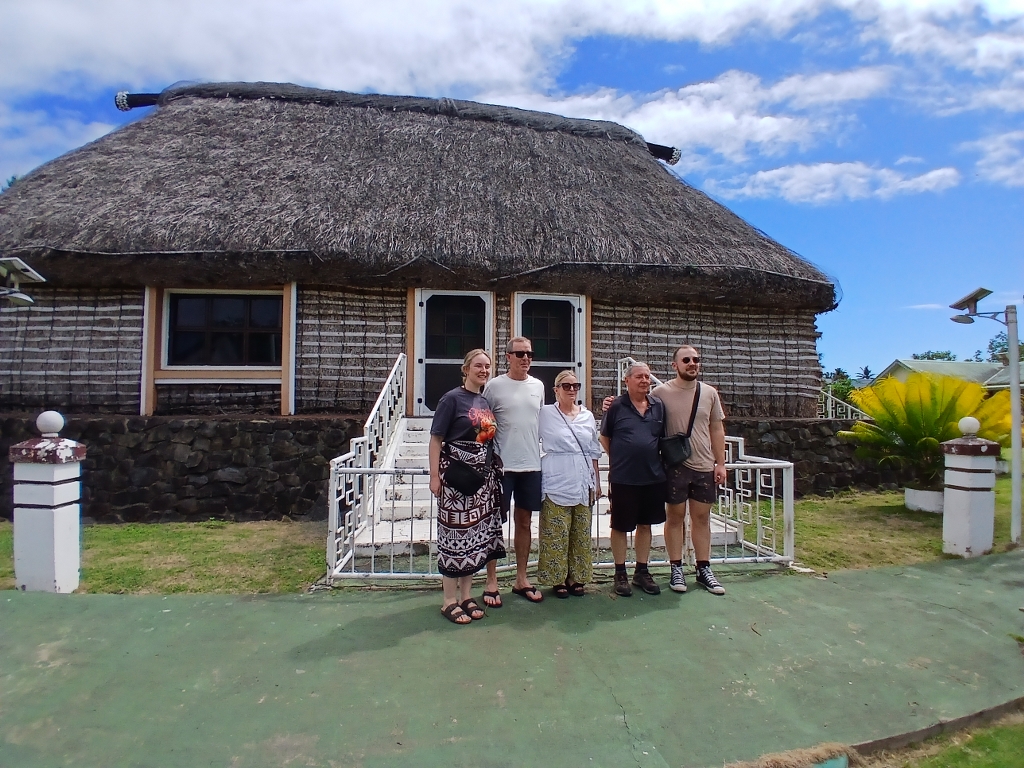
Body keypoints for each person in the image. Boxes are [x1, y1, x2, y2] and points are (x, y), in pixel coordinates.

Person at [429, 348, 506, 624]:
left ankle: (465, 596)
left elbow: (485, 439)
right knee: (454, 537)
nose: (484, 370)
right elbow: (436, 439)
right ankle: (448, 600)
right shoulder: (451, 399)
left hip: (481, 480)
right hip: (456, 479)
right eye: (478, 366)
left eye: (487, 366)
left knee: (474, 537)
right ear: (466, 369)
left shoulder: (483, 401)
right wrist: (434, 476)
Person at [653, 345, 728, 595]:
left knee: (702, 518)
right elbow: (640, 411)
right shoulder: (660, 393)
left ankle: (703, 567)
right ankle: (676, 567)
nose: (692, 363)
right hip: (676, 465)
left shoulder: (709, 393)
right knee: (674, 517)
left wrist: (720, 462)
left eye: (696, 359)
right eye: (686, 360)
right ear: (675, 365)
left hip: (704, 465)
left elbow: (716, 428)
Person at [482, 336, 546, 603]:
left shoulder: (538, 386)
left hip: (531, 465)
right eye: (520, 354)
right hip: (501, 467)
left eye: (529, 354)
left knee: (525, 522)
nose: (526, 358)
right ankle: (491, 580)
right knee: (495, 523)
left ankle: (521, 578)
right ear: (508, 356)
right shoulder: (494, 386)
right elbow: (483, 424)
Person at [599, 361, 666, 597]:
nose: (645, 380)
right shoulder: (616, 406)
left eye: (647, 376)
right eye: (639, 376)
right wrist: (620, 457)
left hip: (652, 477)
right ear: (626, 380)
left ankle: (642, 571)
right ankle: (620, 572)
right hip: (623, 478)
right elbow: (604, 437)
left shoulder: (658, 406)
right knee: (619, 525)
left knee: (645, 525)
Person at [536, 370, 602, 597]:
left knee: (581, 531)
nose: (572, 389)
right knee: (556, 531)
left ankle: (577, 576)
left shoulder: (587, 416)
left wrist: (596, 480)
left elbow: (593, 449)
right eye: (566, 386)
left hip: (582, 477)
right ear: (556, 390)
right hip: (556, 475)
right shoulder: (545, 414)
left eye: (576, 386)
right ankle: (557, 578)